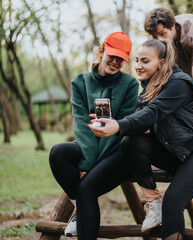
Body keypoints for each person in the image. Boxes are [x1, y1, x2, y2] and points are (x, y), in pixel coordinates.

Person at [89, 39, 193, 240]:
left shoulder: (179, 83)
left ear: (161, 63)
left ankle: (163, 206)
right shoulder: (149, 88)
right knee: (131, 142)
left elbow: (153, 112)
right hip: (174, 154)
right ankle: (153, 201)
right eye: (137, 60)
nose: (138, 66)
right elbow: (139, 117)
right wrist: (111, 123)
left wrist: (121, 126)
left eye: (145, 61)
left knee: (173, 203)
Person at [49, 32, 139, 239]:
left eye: (121, 59)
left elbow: (122, 128)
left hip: (117, 151)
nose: (116, 62)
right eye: (112, 55)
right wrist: (87, 165)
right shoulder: (80, 82)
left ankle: (82, 205)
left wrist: (89, 169)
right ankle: (81, 208)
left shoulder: (130, 85)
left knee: (86, 187)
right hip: (89, 146)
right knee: (59, 152)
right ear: (101, 51)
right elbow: (81, 125)